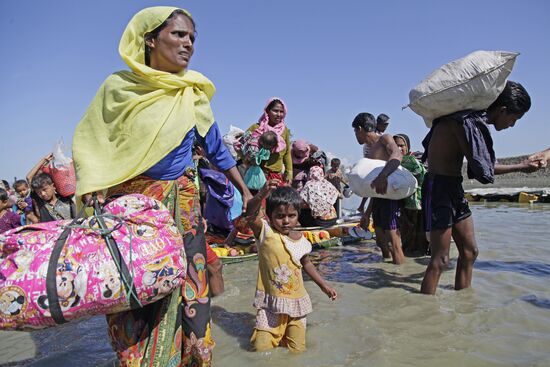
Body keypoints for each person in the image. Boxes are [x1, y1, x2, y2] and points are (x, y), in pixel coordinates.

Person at [72, 7, 252, 366]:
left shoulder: (192, 93)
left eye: (192, 38)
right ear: (150, 39)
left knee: (192, 281)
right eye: (178, 35)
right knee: (135, 288)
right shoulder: (118, 88)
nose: (188, 44)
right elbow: (97, 143)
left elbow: (216, 148)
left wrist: (245, 192)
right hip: (130, 209)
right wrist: (92, 188)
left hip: (182, 206)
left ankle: (193, 356)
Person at [420, 81, 540, 295]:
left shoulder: (466, 120)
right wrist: (523, 167)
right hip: (439, 188)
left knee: (469, 251)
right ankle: (424, 314)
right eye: (514, 119)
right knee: (440, 259)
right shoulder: (466, 122)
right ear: (502, 110)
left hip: (452, 187)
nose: (512, 125)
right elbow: (481, 170)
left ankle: (464, 304)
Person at [245, 181, 337, 352]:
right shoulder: (265, 233)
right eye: (280, 216)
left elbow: (307, 264)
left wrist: (324, 285)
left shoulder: (301, 239)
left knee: (296, 351)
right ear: (269, 216)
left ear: (298, 214)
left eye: (291, 215)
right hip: (271, 305)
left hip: (296, 303)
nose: (286, 221)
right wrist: (261, 194)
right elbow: (250, 214)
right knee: (261, 347)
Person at [353, 112, 405, 264]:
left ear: (360, 128)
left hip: (390, 197)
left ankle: (399, 278)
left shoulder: (384, 139)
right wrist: (366, 213)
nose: (356, 135)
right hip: (378, 199)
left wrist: (383, 175)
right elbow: (371, 186)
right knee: (381, 242)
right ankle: (386, 277)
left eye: (355, 131)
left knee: (394, 243)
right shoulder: (368, 150)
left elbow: (397, 154)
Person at [393, 134, 429, 256]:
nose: (398, 149)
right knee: (406, 235)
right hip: (403, 204)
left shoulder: (418, 159)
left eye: (401, 146)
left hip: (421, 203)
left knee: (421, 233)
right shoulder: (392, 163)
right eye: (395, 146)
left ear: (407, 146)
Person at [247, 98, 293, 185]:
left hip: (276, 176)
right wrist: (247, 161)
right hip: (257, 175)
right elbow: (241, 145)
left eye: (281, 111)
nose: (279, 114)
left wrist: (289, 173)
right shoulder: (256, 128)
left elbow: (287, 153)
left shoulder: (284, 130)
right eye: (275, 111)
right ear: (267, 111)